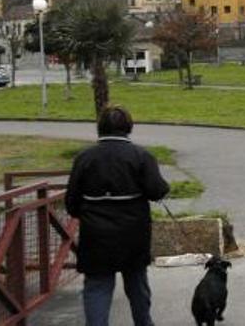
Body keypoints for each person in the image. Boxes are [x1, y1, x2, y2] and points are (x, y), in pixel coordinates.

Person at [66, 105, 170, 326]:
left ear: (100, 128)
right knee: (137, 285)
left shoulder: (84, 158)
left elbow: (71, 203)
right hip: (133, 233)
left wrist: (86, 213)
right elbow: (157, 190)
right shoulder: (141, 156)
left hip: (96, 235)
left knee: (97, 287)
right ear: (128, 127)